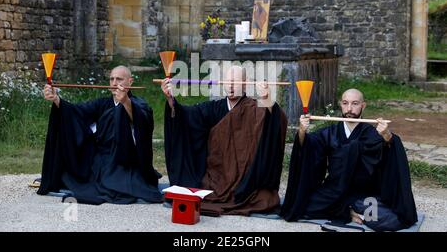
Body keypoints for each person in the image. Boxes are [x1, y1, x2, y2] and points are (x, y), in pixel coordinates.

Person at [280, 89, 418, 231]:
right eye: (345, 103)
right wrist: (302, 130)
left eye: (355, 103)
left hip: (363, 193)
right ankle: (349, 212)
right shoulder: (331, 131)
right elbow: (308, 146)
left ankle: (352, 208)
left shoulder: (372, 133)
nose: (349, 109)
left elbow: (391, 152)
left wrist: (388, 136)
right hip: (334, 190)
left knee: (390, 221)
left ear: (363, 106)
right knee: (300, 206)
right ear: (341, 104)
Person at [162, 65, 288, 216]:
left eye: (235, 81)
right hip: (217, 176)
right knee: (201, 192)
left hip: (245, 178)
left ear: (246, 83)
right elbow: (186, 116)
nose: (231, 86)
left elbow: (275, 120)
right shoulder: (214, 108)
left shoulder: (254, 108)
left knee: (265, 199)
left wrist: (266, 98)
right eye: (228, 81)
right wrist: (171, 100)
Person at [37, 66, 163, 205]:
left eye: (119, 79)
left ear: (130, 82)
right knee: (69, 175)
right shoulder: (102, 103)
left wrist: (126, 101)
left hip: (126, 160)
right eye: (111, 79)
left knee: (128, 184)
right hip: (102, 158)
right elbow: (77, 112)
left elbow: (142, 121)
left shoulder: (139, 104)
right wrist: (56, 99)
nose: (114, 83)